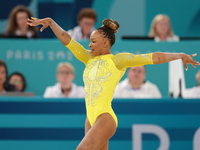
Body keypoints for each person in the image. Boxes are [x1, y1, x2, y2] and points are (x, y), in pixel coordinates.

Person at [27, 16, 199, 150]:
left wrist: (179, 55)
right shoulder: (88, 58)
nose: (90, 44)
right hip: (91, 119)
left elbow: (153, 57)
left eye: (94, 41)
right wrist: (50, 22)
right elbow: (68, 40)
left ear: (106, 42)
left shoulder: (118, 60)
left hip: (105, 118)